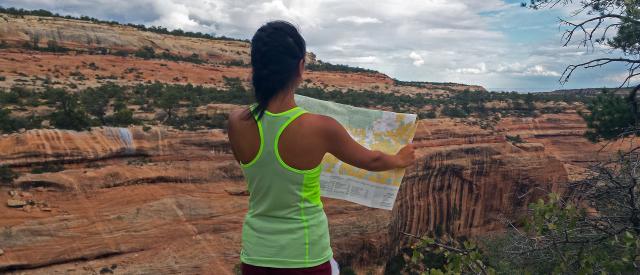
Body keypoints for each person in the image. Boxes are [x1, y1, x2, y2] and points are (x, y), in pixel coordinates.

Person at [227, 20, 415, 275]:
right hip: (305, 256)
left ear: (256, 68)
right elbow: (372, 161)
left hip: (256, 255)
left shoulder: (236, 121)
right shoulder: (319, 127)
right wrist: (400, 159)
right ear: (300, 67)